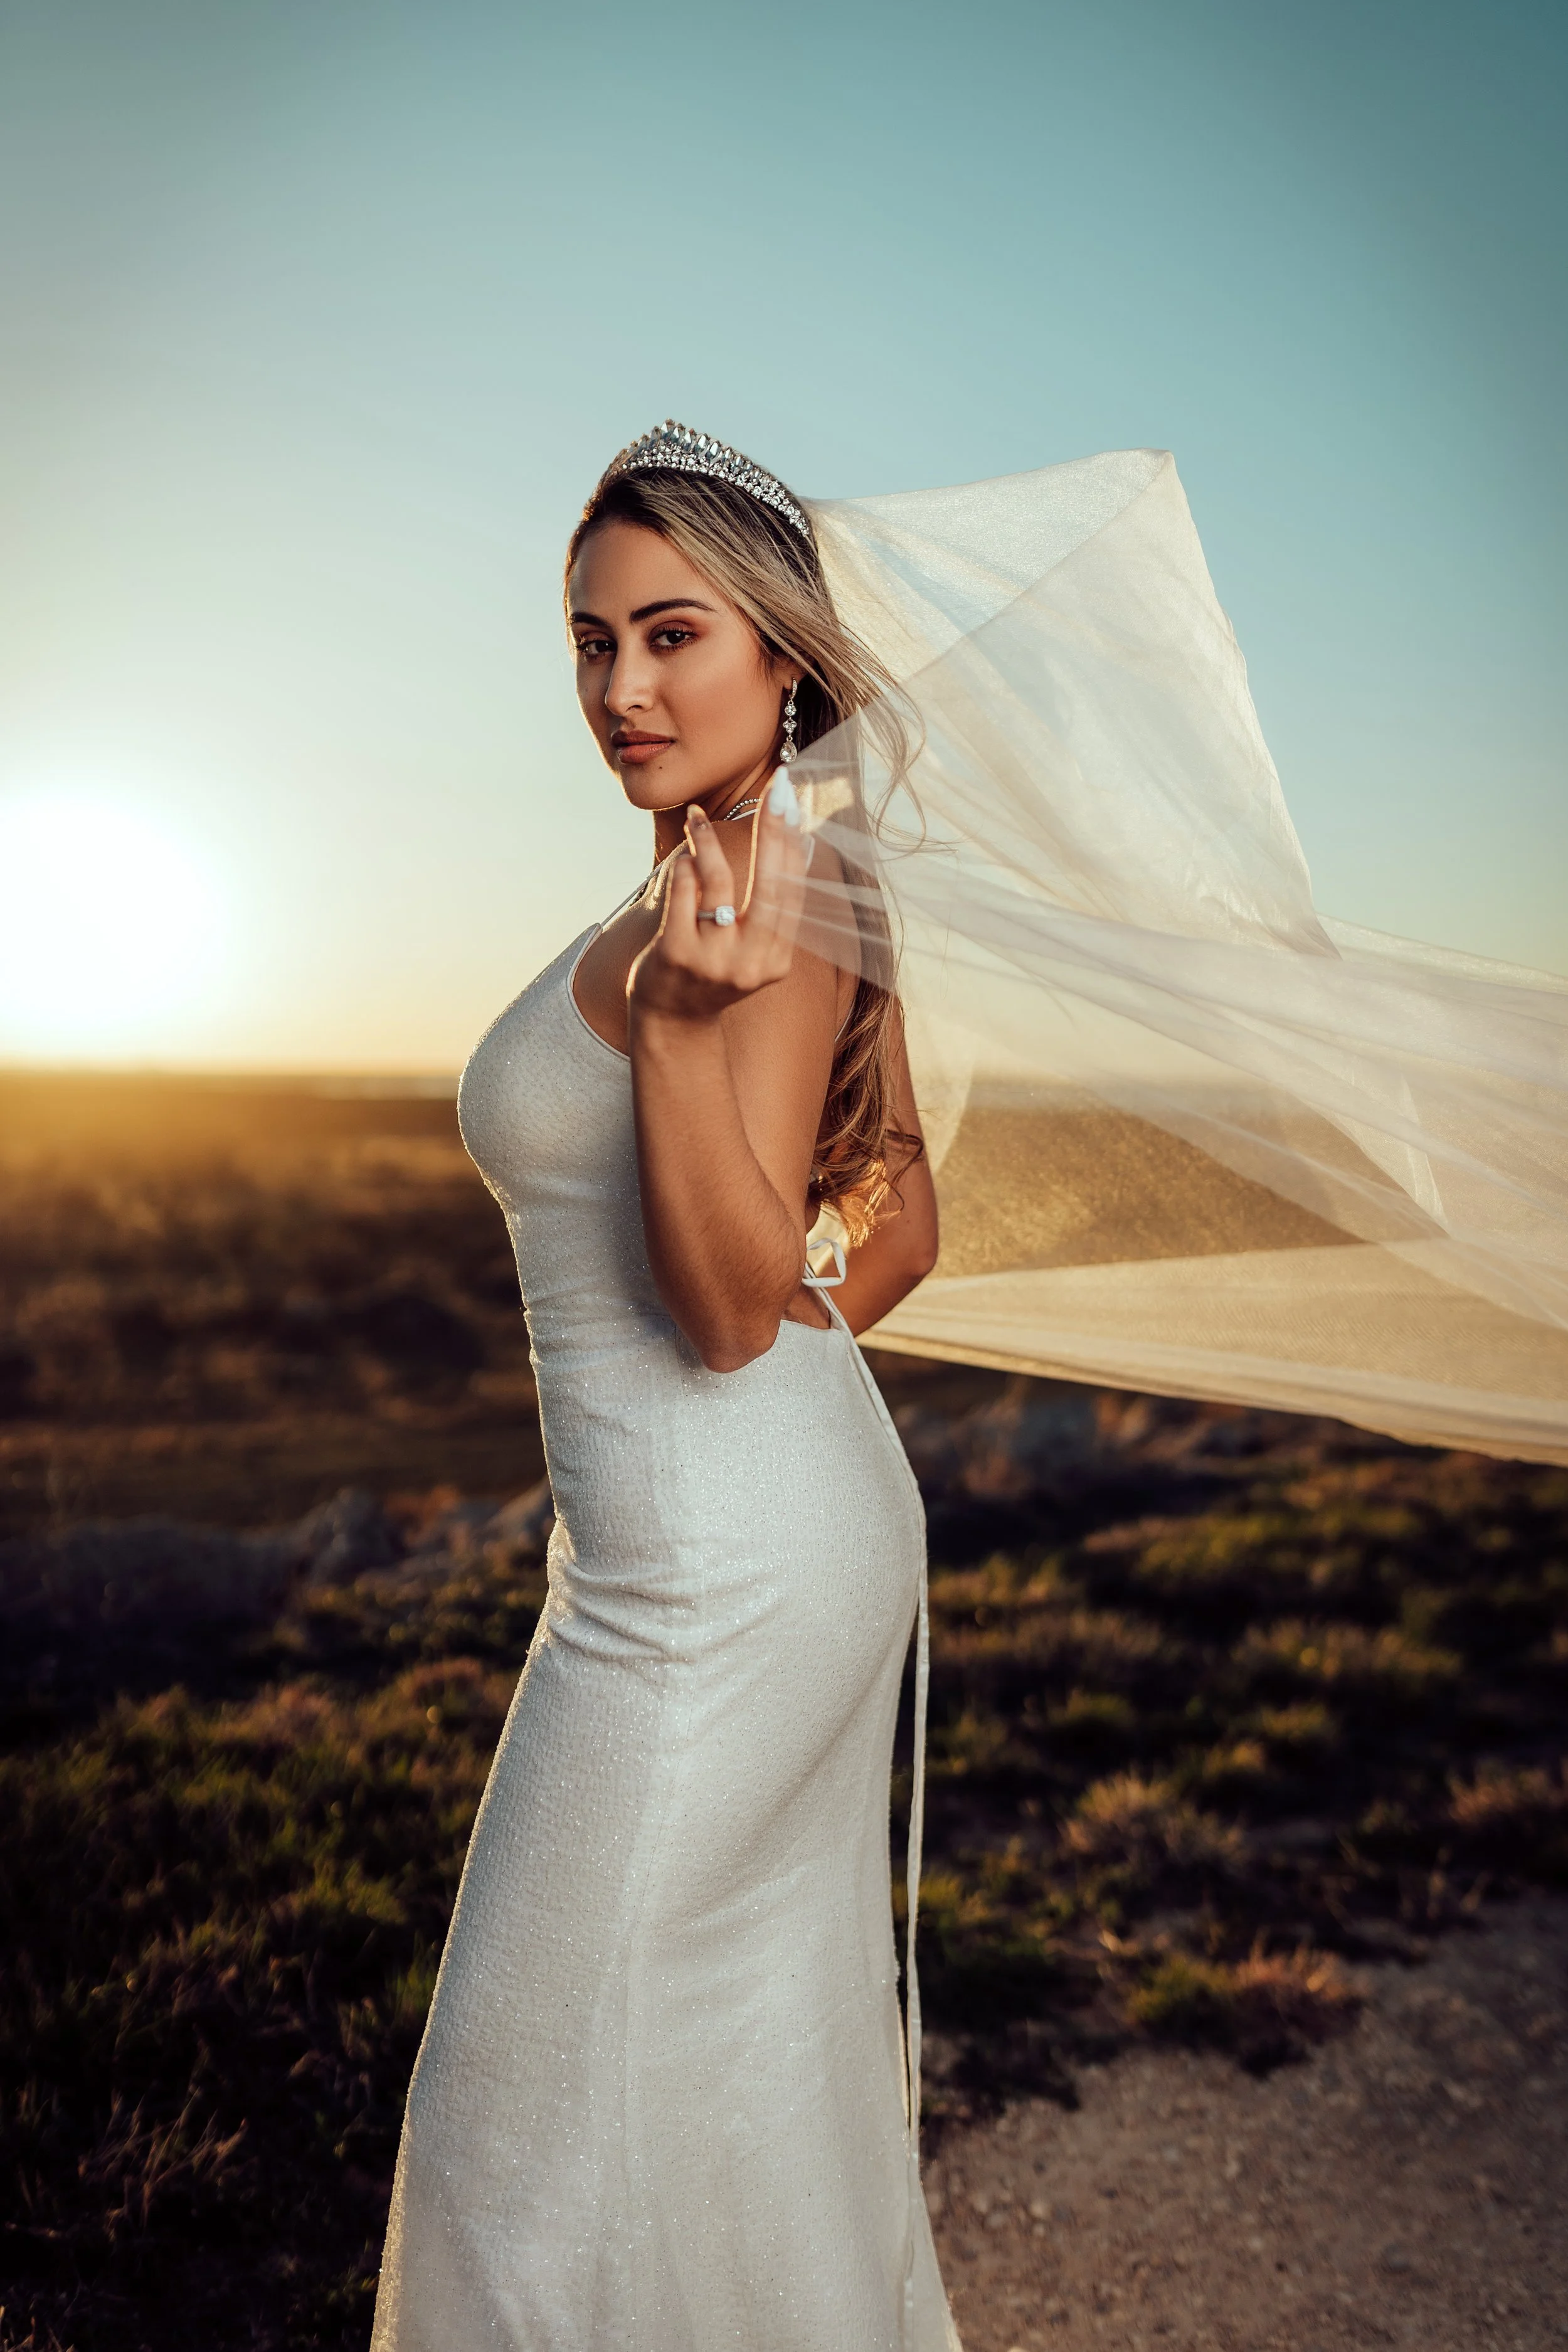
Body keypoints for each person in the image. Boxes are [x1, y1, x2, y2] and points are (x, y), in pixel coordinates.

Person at [371, 425, 960, 2351]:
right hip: (716, 1538)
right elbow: (902, 1224)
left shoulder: (762, 899)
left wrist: (702, 1054)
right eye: (587, 642)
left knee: (508, 2129)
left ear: (780, 657)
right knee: (736, 2085)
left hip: (717, 1580)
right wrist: (780, 1327)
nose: (621, 688)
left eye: (672, 636)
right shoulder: (709, 883)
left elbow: (716, 1312)